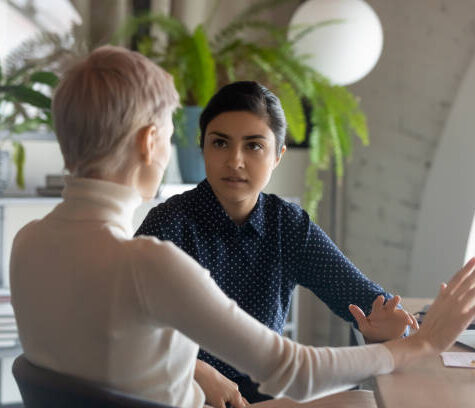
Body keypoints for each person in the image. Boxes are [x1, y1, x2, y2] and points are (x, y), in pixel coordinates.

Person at [9, 45, 475, 408]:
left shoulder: (25, 244)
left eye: (254, 146)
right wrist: (428, 342)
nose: (234, 160)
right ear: (151, 143)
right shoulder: (150, 257)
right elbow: (291, 370)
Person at [135, 81, 419, 404]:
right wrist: (195, 372)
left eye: (254, 146)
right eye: (220, 143)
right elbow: (124, 331)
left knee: (364, 402)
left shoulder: (287, 226)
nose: (235, 161)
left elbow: (368, 303)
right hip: (181, 395)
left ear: (278, 156)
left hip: (265, 394)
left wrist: (390, 329)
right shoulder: (167, 224)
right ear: (203, 148)